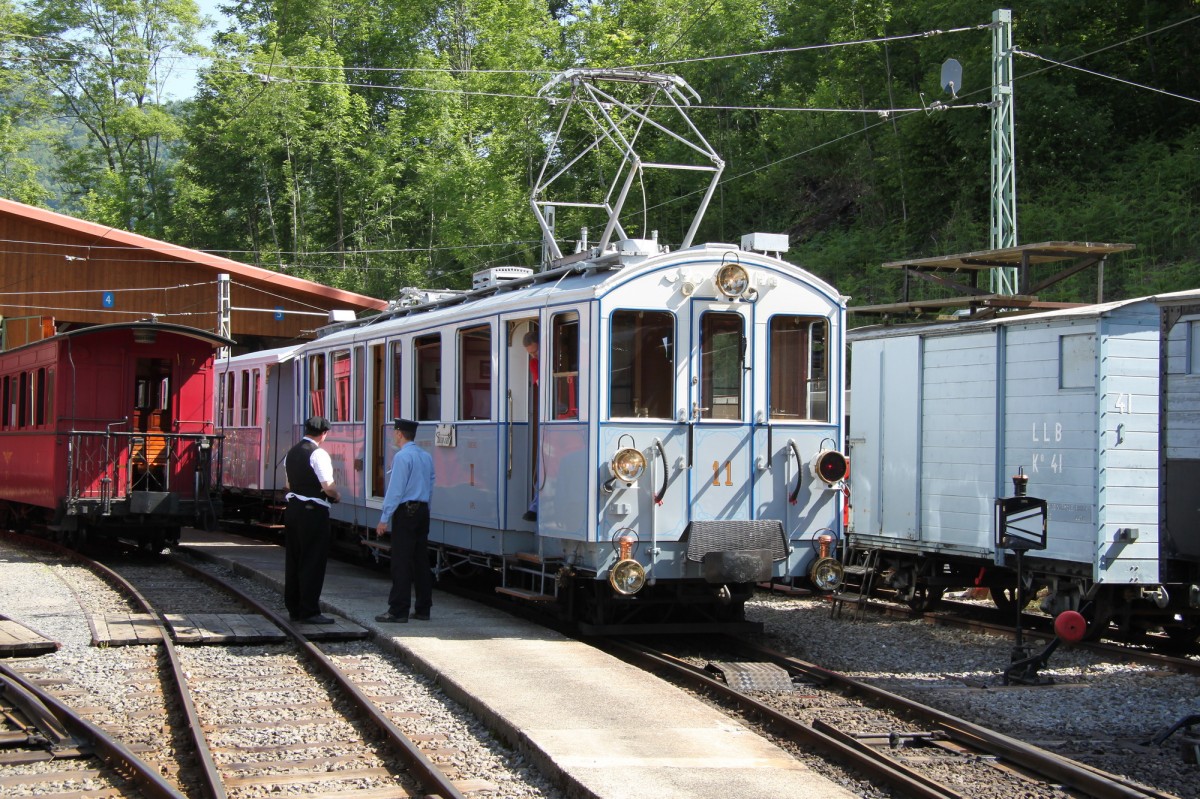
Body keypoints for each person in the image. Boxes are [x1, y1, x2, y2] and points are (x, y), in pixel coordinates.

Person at [376, 418, 436, 623]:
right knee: (420, 560)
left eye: (395, 432)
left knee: (401, 562)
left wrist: (384, 518)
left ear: (400, 434)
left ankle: (398, 610)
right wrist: (427, 509)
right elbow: (430, 485)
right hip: (422, 512)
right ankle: (423, 608)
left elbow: (395, 491)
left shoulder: (402, 457)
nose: (393, 435)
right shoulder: (426, 456)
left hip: (406, 512)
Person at [283, 415, 340, 624]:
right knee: (312, 560)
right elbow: (328, 486)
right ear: (324, 433)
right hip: (312, 511)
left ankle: (294, 608)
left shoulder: (291, 453)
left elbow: (288, 484)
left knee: (294, 559)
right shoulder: (318, 454)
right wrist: (336, 495)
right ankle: (309, 611)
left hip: (293, 509)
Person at [522, 330, 539, 522]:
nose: (534, 356)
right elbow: (540, 385)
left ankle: (535, 506)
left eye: (535, 351)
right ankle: (535, 506)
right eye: (531, 353)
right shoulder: (534, 363)